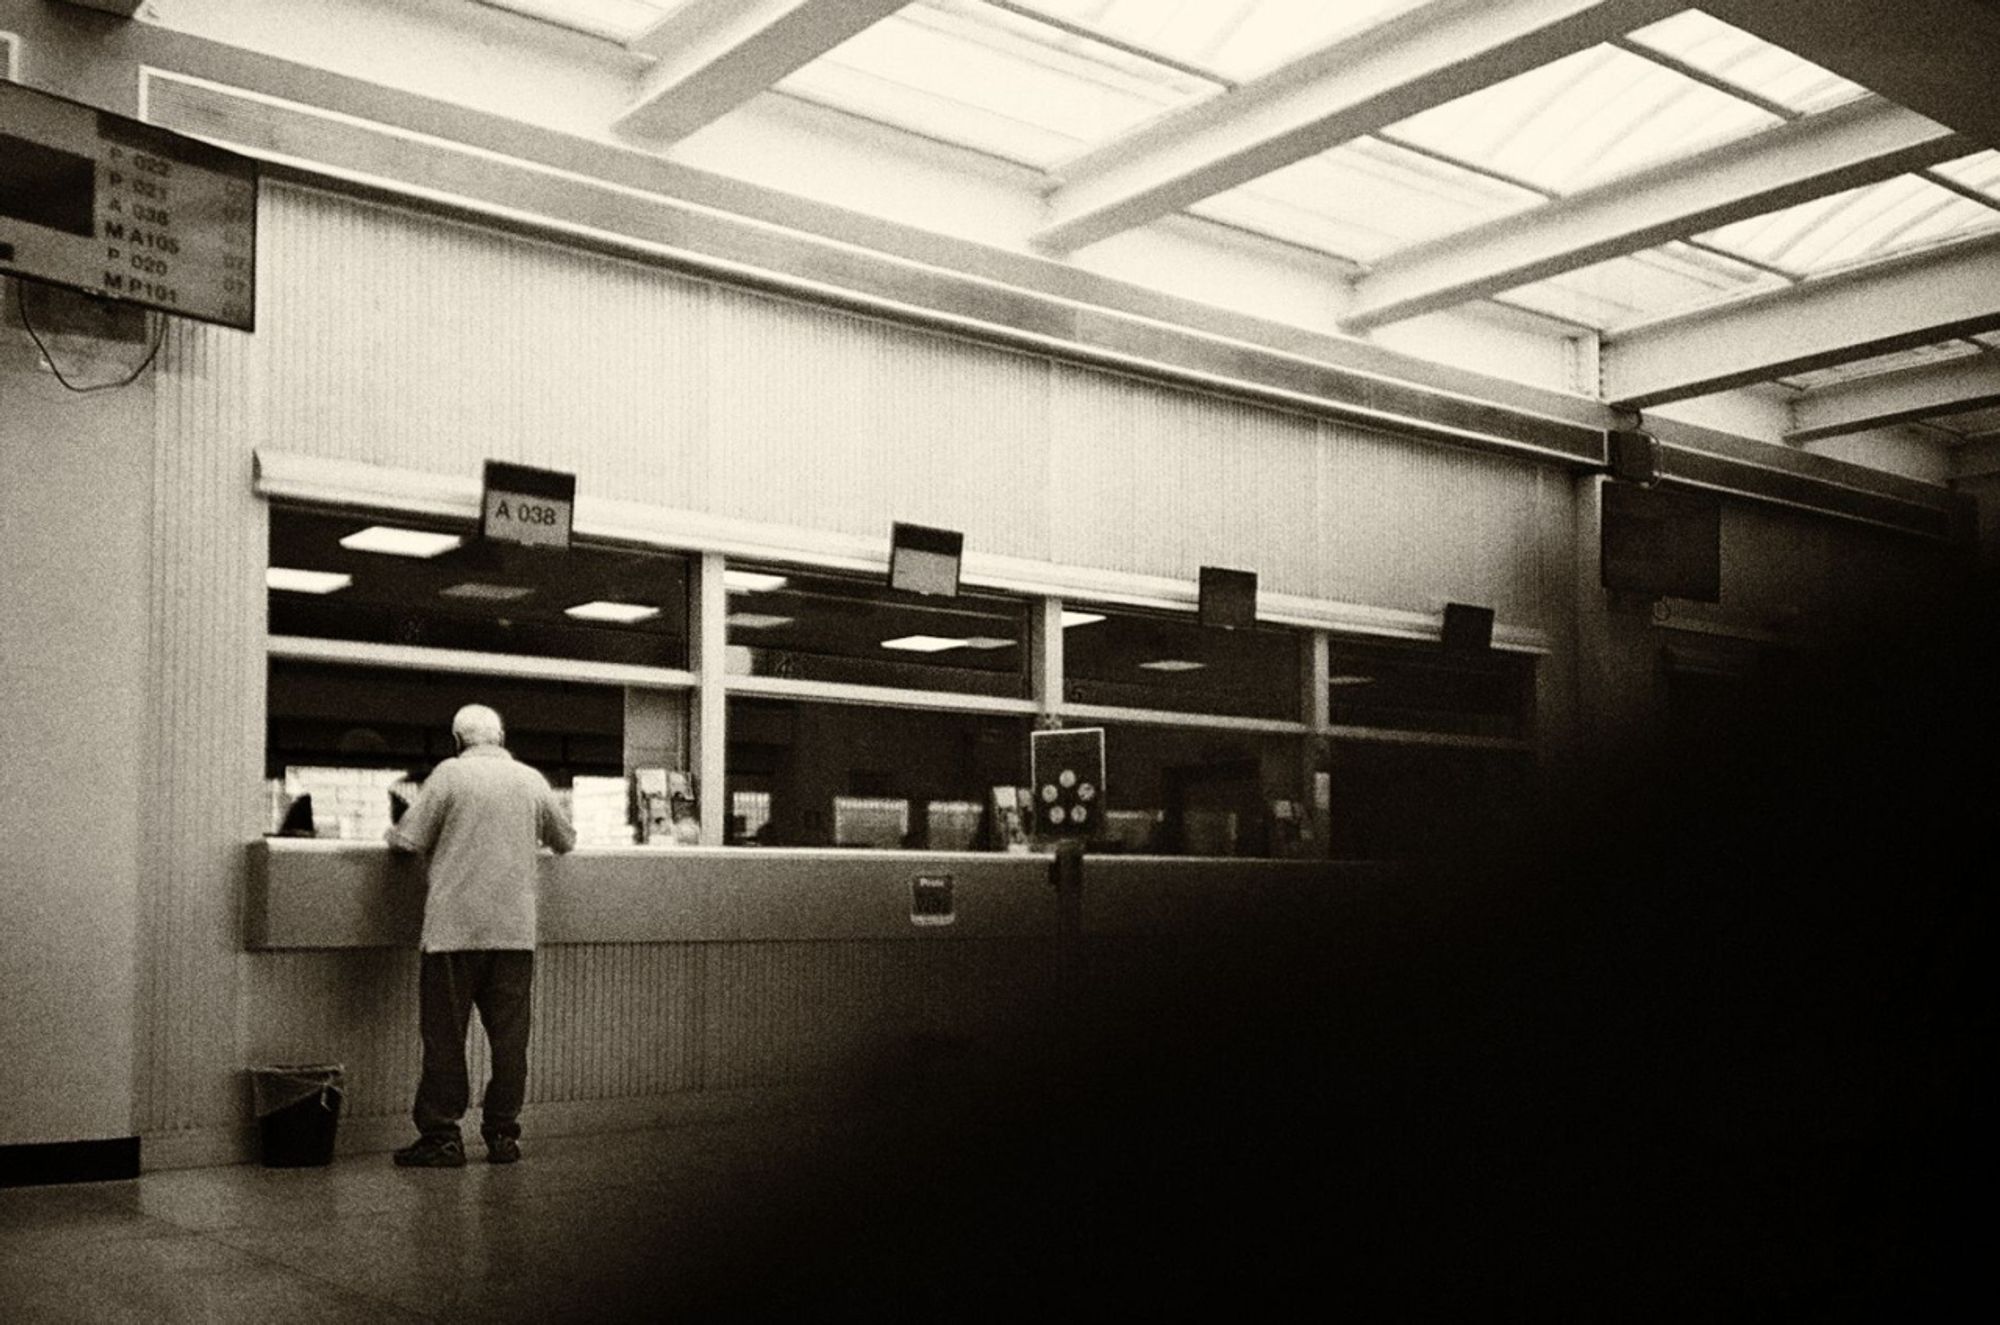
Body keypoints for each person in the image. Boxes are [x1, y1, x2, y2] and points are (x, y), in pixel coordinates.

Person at [385, 703, 575, 1167]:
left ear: (457, 740)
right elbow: (565, 839)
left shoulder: (449, 775)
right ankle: (503, 1135)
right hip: (514, 932)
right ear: (501, 737)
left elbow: (407, 840)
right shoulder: (530, 780)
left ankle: (443, 1137)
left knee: (446, 1038)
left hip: (453, 931)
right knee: (510, 1042)